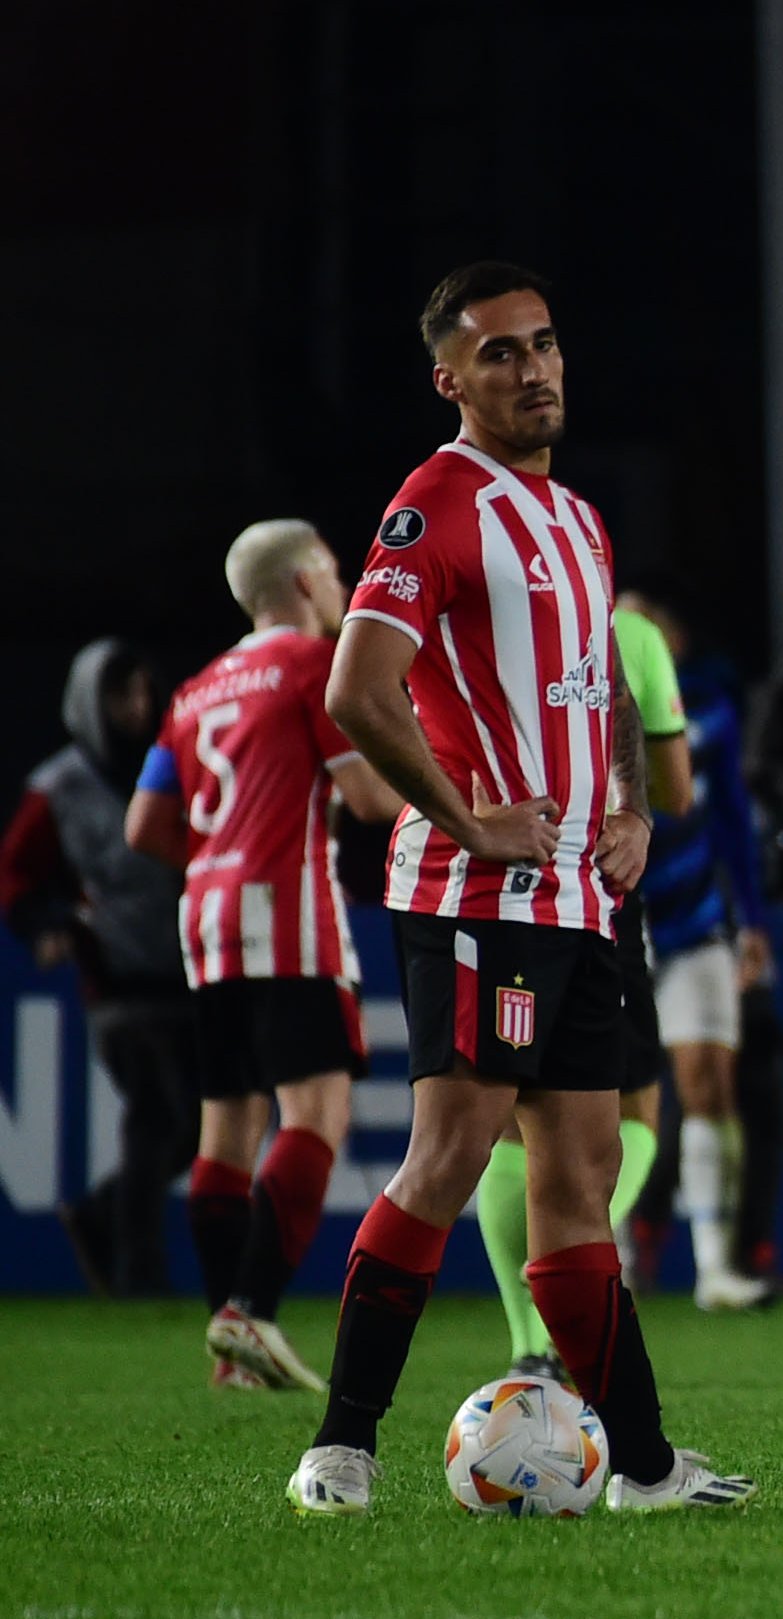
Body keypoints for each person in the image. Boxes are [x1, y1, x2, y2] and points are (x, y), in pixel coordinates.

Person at [285, 261, 751, 1514]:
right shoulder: (431, 506)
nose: (533, 369)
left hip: (578, 900)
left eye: (543, 345)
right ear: (451, 378)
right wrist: (465, 816)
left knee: (582, 1174)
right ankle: (340, 1447)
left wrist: (634, 809)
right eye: (500, 353)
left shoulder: (580, 519)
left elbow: (600, 683)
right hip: (473, 893)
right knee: (446, 1154)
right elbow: (354, 692)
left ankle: (644, 1468)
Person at [121, 521, 403, 1390]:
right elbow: (365, 797)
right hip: (289, 909)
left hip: (206, 918)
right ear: (312, 580)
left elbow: (144, 829)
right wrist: (445, 805)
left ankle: (229, 1344)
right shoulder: (318, 669)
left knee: (229, 1126)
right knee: (313, 1115)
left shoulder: (198, 688)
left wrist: (219, 858)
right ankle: (253, 1310)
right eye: (338, 568)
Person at [473, 600, 690, 1372]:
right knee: (631, 1115)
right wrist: (633, 809)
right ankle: (556, 1300)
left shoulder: (473, 617)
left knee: (506, 1123)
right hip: (590, 884)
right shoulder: (626, 631)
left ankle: (528, 1345)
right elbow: (677, 787)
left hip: (487, 885)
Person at [0, 640, 196, 1296]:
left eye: (145, 693)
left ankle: (99, 1214)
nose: (137, 708)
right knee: (154, 1114)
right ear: (90, 703)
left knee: (190, 1127)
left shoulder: (173, 768)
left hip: (190, 971)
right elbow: (14, 874)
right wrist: (43, 927)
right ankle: (141, 1271)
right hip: (114, 982)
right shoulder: (59, 788)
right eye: (121, 695)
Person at [607, 586, 778, 1312]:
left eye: (641, 620)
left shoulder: (708, 711)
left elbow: (732, 820)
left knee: (708, 1083)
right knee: (611, 1098)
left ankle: (715, 1266)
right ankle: (608, 1263)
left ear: (670, 638)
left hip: (698, 921)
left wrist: (754, 920)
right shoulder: (574, 702)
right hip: (613, 915)